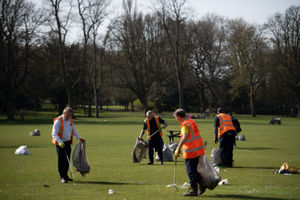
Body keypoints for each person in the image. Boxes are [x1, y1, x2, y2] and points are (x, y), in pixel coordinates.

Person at [174, 109, 206, 196]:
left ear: (179, 117)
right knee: (195, 170)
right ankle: (202, 184)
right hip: (198, 149)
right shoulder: (191, 121)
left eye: (176, 118)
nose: (176, 120)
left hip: (191, 151)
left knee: (191, 171)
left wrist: (178, 148)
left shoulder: (185, 125)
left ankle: (193, 190)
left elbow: (184, 137)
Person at [52, 107, 84, 183]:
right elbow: (54, 133)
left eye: (70, 115)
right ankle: (61, 177)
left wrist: (79, 137)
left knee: (67, 160)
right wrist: (59, 142)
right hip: (59, 143)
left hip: (67, 142)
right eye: (67, 115)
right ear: (64, 113)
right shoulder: (58, 121)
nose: (69, 117)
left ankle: (66, 176)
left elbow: (74, 131)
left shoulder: (70, 120)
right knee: (61, 160)